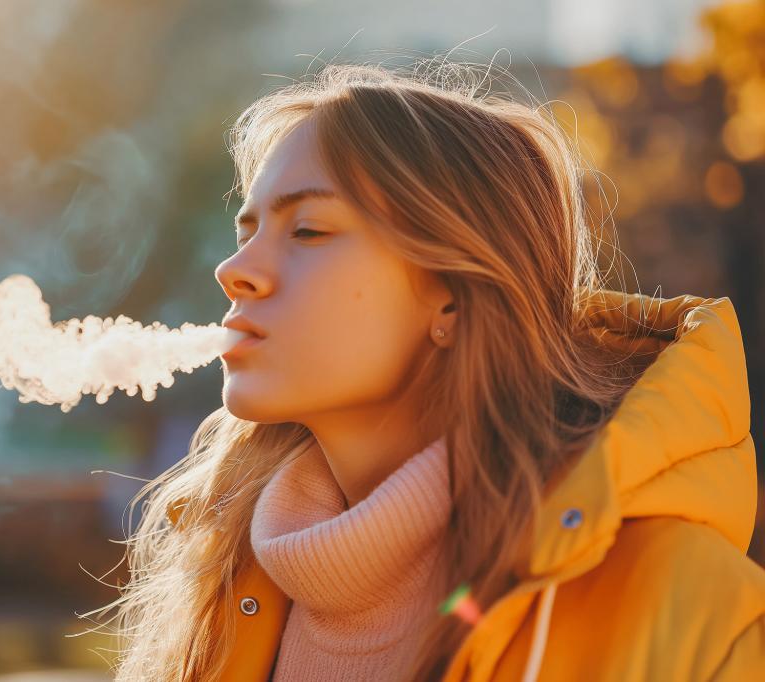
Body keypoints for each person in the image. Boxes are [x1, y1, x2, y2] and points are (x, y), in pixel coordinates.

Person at [88, 59, 765, 681]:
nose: (234, 271)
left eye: (308, 231)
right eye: (247, 233)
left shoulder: (694, 617)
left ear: (452, 291)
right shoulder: (216, 584)